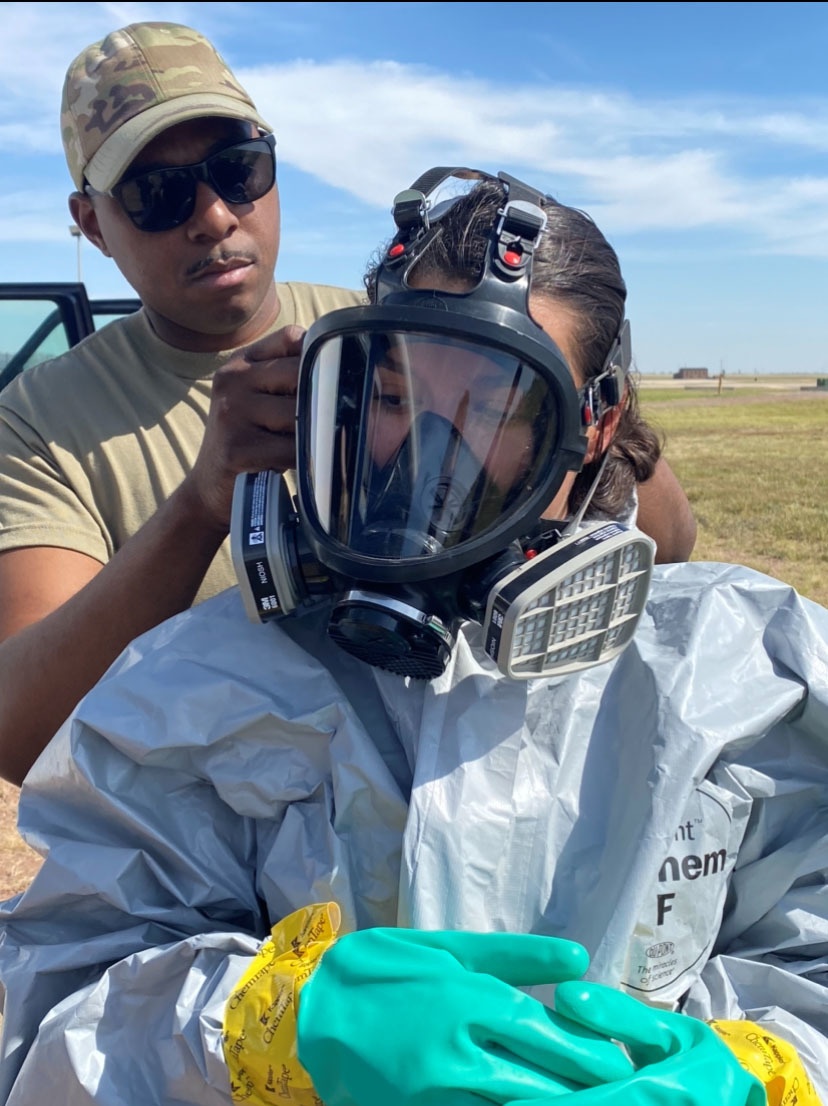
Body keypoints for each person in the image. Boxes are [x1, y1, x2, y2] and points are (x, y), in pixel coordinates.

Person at [0, 169, 822, 1106]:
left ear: (592, 429)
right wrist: (266, 1030)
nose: (426, 462)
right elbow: (53, 1021)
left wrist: (768, 1071)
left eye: (494, 409)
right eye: (393, 398)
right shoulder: (200, 684)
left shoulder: (743, 674)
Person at [0, 22, 695, 790]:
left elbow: (673, 540)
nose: (214, 216)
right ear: (93, 223)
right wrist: (199, 506)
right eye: (156, 195)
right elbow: (23, 737)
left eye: (238, 170)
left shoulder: (404, 324)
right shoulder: (37, 424)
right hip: (205, 849)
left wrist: (586, 421)